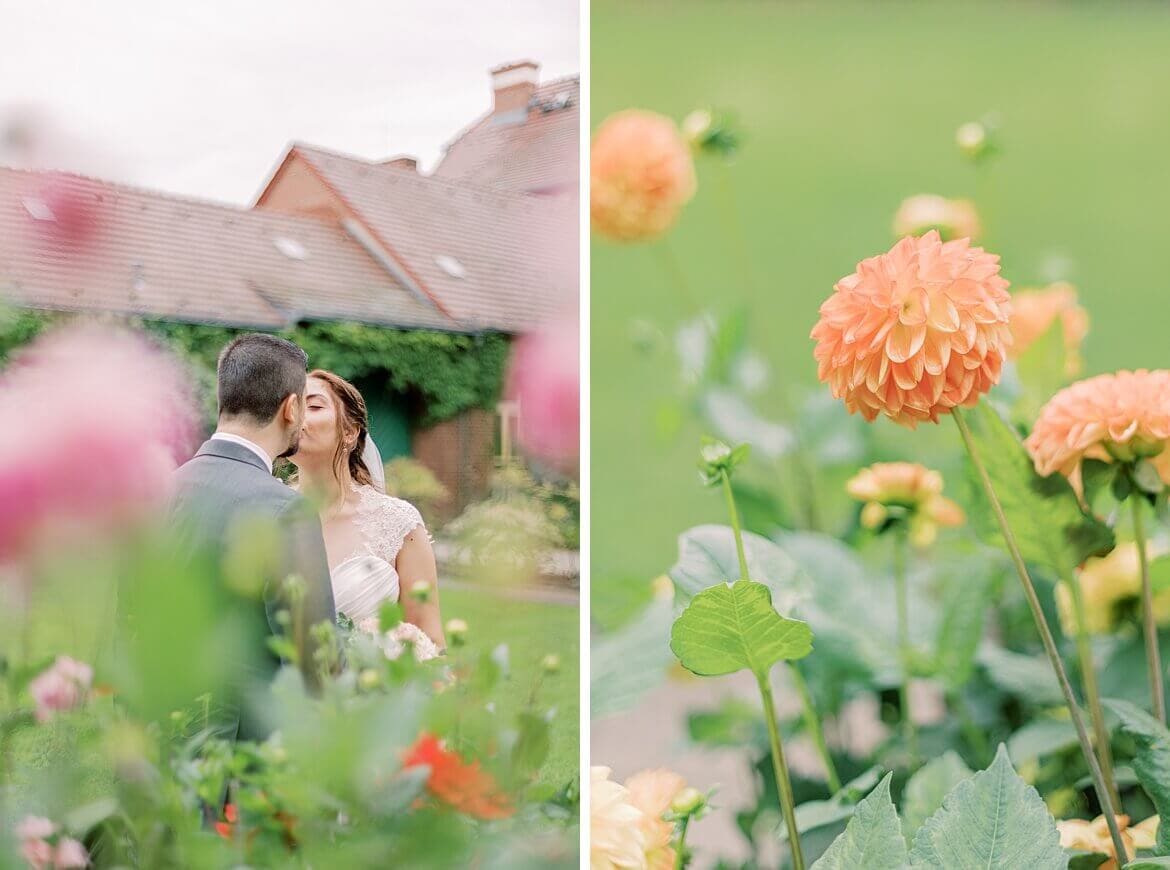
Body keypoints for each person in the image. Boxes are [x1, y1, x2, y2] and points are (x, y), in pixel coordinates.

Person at [169, 334, 337, 740]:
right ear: (291, 407)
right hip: (243, 765)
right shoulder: (283, 510)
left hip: (163, 752)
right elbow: (317, 664)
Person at [288, 370, 445, 652]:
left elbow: (430, 642)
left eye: (313, 406)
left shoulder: (398, 523)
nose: (297, 416)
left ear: (350, 432)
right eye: (291, 407)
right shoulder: (266, 514)